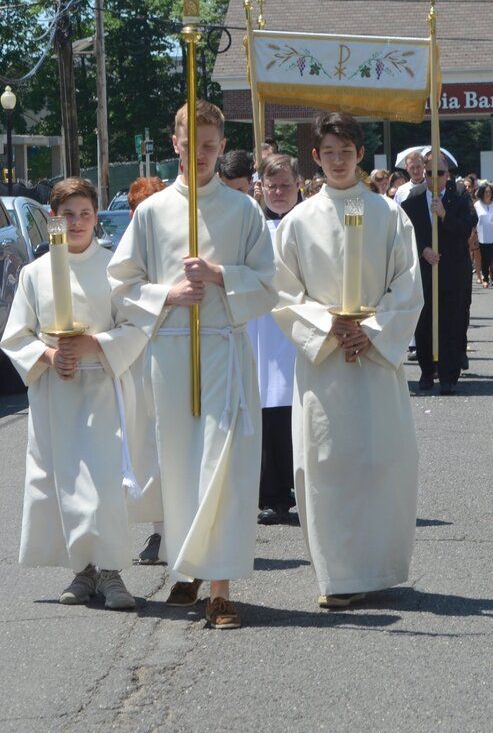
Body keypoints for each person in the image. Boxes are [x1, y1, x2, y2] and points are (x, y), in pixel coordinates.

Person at [107, 100, 277, 629]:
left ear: (222, 147)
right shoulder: (153, 212)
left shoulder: (243, 210)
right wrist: (169, 293)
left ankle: (221, 586)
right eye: (189, 143)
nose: (199, 154)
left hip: (224, 347)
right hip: (172, 350)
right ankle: (189, 564)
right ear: (174, 142)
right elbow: (122, 282)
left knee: (222, 462)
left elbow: (270, 283)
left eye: (209, 145)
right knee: (179, 463)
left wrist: (223, 275)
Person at [273, 112, 423, 609]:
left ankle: (377, 567)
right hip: (325, 365)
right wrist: (329, 326)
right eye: (328, 152)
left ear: (362, 154)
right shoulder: (297, 221)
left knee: (381, 460)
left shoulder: (389, 215)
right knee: (327, 462)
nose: (338, 161)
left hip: (374, 362)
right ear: (314, 157)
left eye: (346, 151)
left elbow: (407, 286)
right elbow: (283, 292)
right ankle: (336, 575)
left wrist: (371, 330)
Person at [0, 178, 148, 609]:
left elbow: (136, 327)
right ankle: (82, 572)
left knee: (102, 483)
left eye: (85, 214)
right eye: (68, 215)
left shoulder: (115, 268)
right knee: (64, 481)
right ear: (52, 219)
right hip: (56, 393)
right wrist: (46, 354)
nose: (78, 222)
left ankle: (112, 571)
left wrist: (95, 345)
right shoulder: (34, 273)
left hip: (103, 386)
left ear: (96, 216)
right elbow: (15, 335)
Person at [248, 154, 299, 525]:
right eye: (272, 186)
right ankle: (272, 492)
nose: (278, 193)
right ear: (261, 188)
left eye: (285, 185)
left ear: (298, 184)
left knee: (296, 409)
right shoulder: (252, 227)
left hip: (299, 323)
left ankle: (304, 487)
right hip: (262, 326)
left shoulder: (306, 223)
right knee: (267, 407)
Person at [402, 154, 474, 395]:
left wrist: (444, 215)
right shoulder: (412, 199)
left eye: (439, 173)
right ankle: (426, 371)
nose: (434, 178)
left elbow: (466, 228)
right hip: (425, 271)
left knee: (451, 324)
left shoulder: (460, 196)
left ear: (448, 173)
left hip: (453, 271)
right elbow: (406, 232)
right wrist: (423, 249)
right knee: (424, 323)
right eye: (429, 172)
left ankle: (448, 375)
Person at [124, 177, 168, 566]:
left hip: (178, 349)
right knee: (148, 445)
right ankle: (158, 529)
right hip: (139, 355)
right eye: (138, 210)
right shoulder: (128, 251)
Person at [475, 183, 493, 288]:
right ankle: (485, 278)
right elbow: (474, 220)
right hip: (482, 234)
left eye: (489, 192)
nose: (488, 194)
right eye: (486, 192)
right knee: (485, 258)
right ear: (482, 193)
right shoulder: (477, 205)